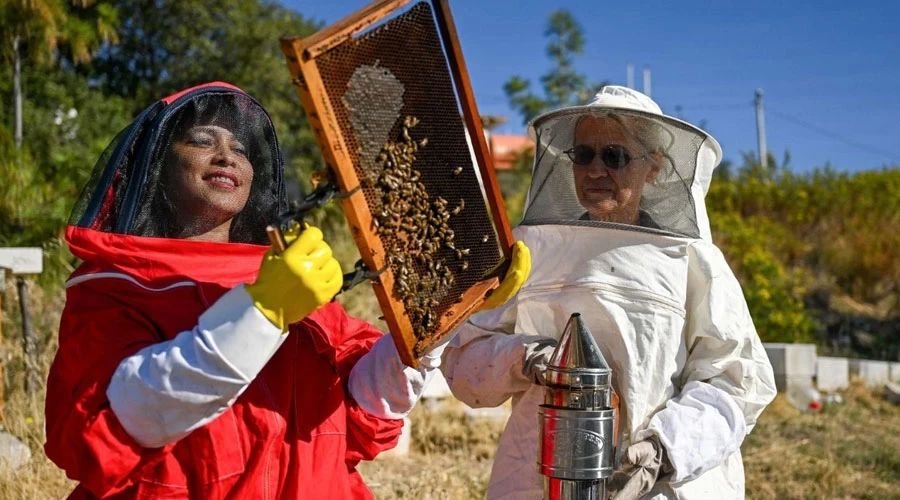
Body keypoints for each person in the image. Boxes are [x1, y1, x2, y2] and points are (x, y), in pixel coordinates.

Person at [44, 82, 529, 499]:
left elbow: (365, 407)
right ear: (158, 167)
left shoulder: (288, 276)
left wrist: (441, 311)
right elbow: (130, 419)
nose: (226, 156)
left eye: (241, 149)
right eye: (201, 140)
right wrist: (263, 311)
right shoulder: (115, 286)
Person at [441, 86, 777, 499]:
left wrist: (662, 451)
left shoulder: (692, 260)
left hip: (652, 486)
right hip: (537, 478)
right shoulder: (530, 251)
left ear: (653, 167)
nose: (595, 169)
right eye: (583, 155)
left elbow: (736, 382)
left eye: (614, 156)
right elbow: (463, 362)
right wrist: (526, 358)